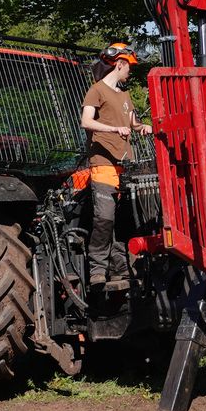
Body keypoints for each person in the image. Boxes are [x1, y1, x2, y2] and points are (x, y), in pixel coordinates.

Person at [79, 42, 152, 287]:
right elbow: (86, 121)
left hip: (125, 165)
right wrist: (112, 128)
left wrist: (146, 127)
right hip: (103, 163)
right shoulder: (96, 90)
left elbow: (133, 123)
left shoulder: (124, 95)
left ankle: (120, 265)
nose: (129, 72)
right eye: (128, 67)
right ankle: (98, 269)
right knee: (104, 217)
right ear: (119, 64)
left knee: (125, 219)